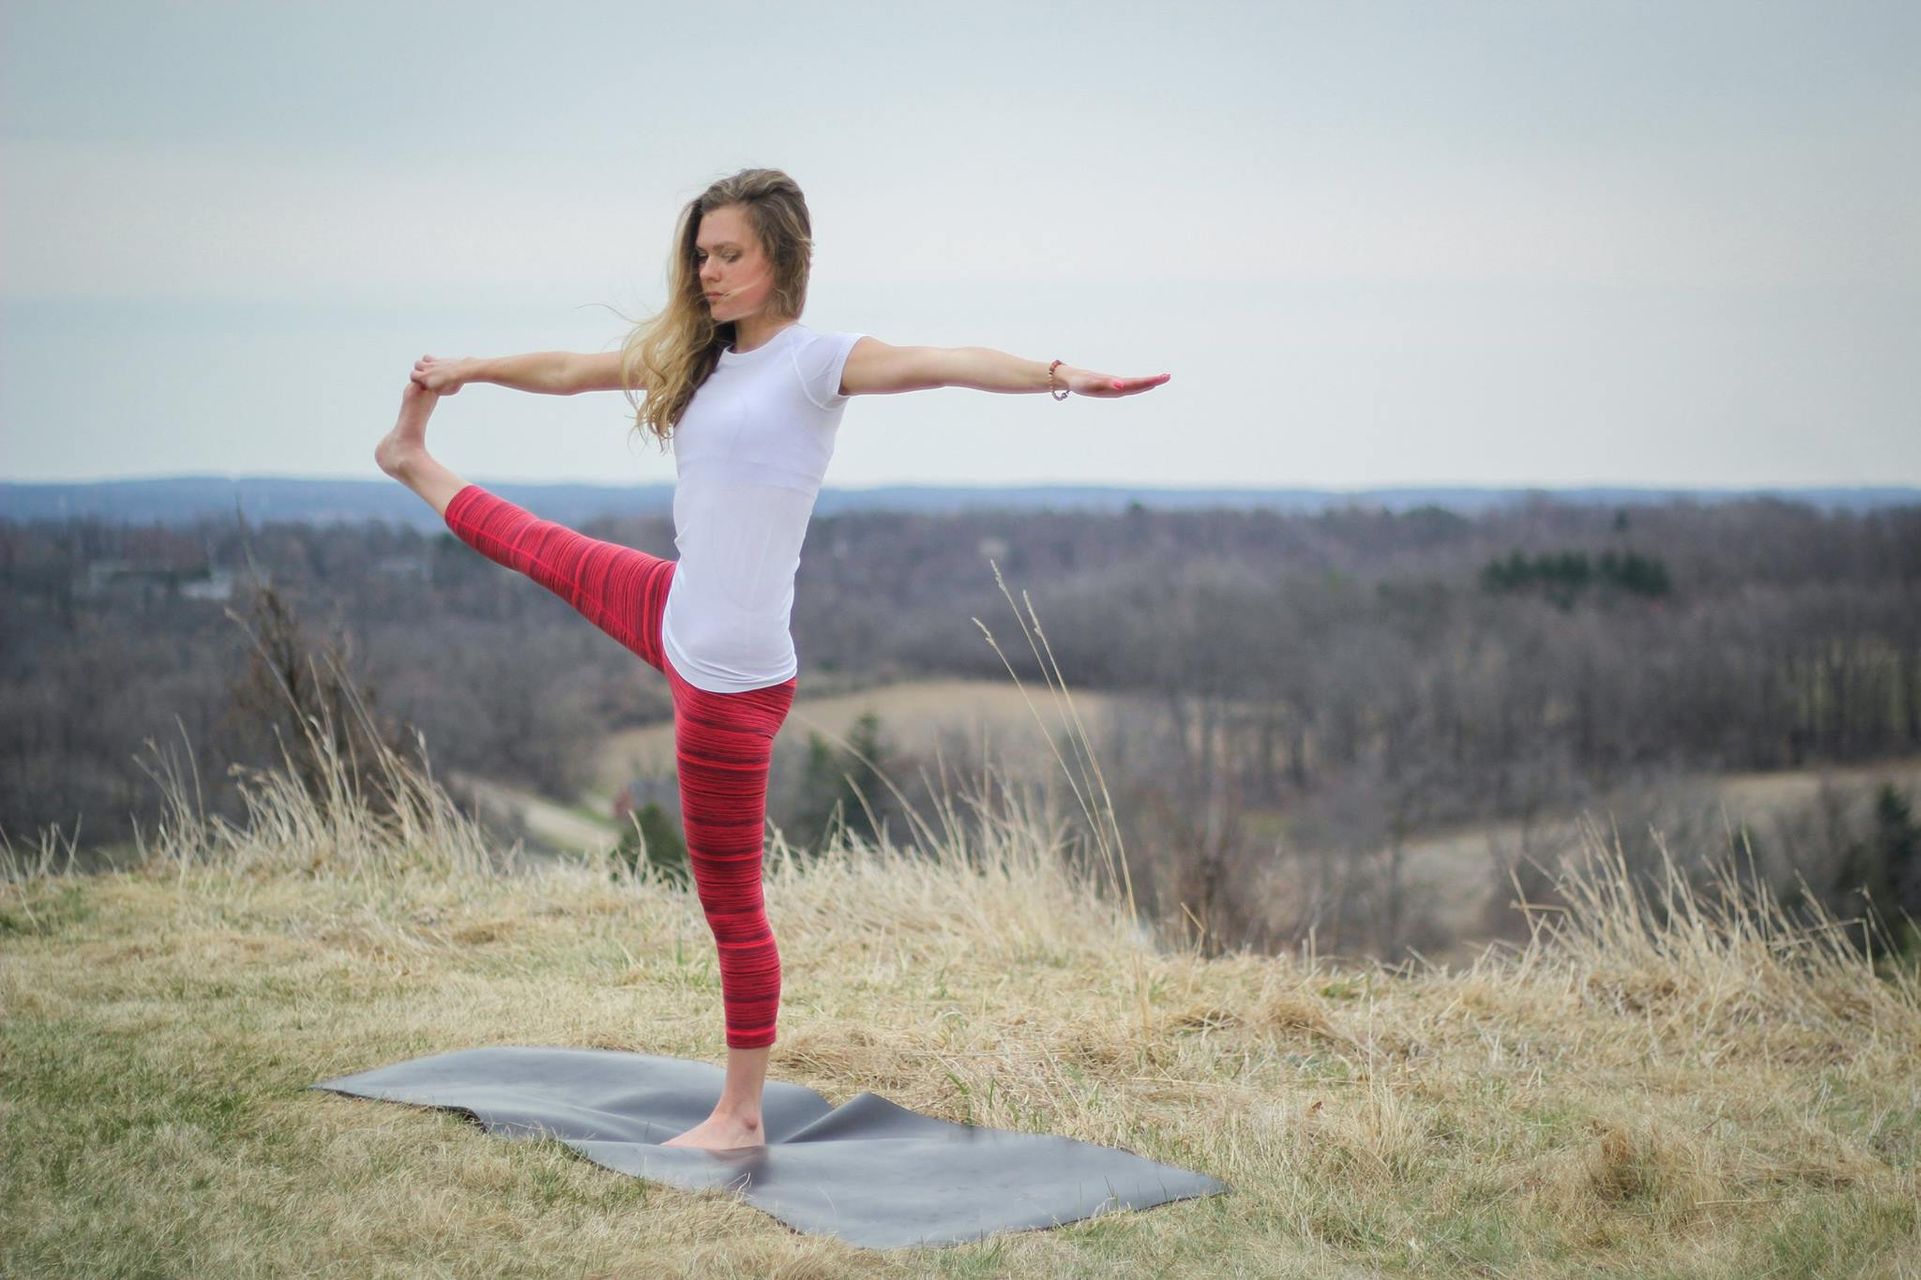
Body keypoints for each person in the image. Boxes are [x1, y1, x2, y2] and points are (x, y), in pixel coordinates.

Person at [374, 167, 1169, 1152]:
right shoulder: (697, 360)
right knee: (539, 546)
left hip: (729, 680)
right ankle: (409, 457)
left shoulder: (813, 363)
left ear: (779, 258)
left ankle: (740, 1113)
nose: (706, 270)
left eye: (727, 253)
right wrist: (465, 368)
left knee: (730, 900)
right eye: (699, 253)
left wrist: (1059, 373)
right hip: (677, 608)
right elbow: (575, 369)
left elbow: (940, 359)